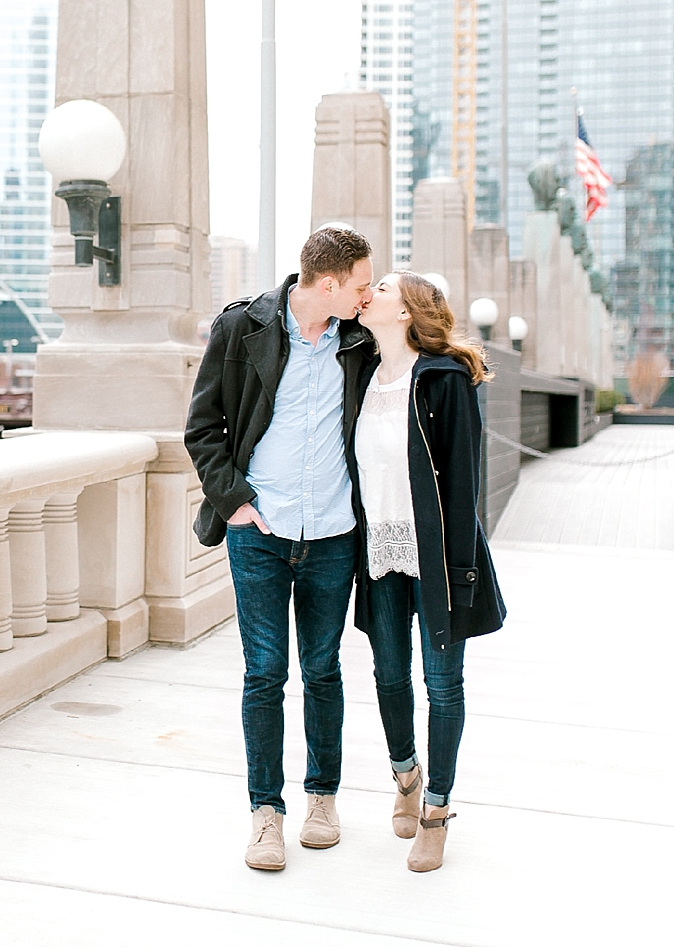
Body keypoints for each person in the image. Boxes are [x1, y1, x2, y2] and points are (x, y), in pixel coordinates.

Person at [185, 226, 376, 871]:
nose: (368, 295)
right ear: (328, 284)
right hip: (259, 534)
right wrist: (234, 501)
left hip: (332, 535)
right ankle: (265, 814)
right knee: (265, 673)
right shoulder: (244, 329)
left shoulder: (360, 341)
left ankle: (322, 798)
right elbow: (202, 426)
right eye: (360, 285)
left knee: (322, 670)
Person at [347, 270, 505, 872]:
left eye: (382, 287)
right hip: (380, 554)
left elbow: (464, 483)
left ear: (407, 311)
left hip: (437, 559)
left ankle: (436, 811)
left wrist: (461, 573)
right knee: (389, 677)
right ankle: (406, 776)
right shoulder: (359, 373)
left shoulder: (444, 380)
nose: (372, 294)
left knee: (443, 685)